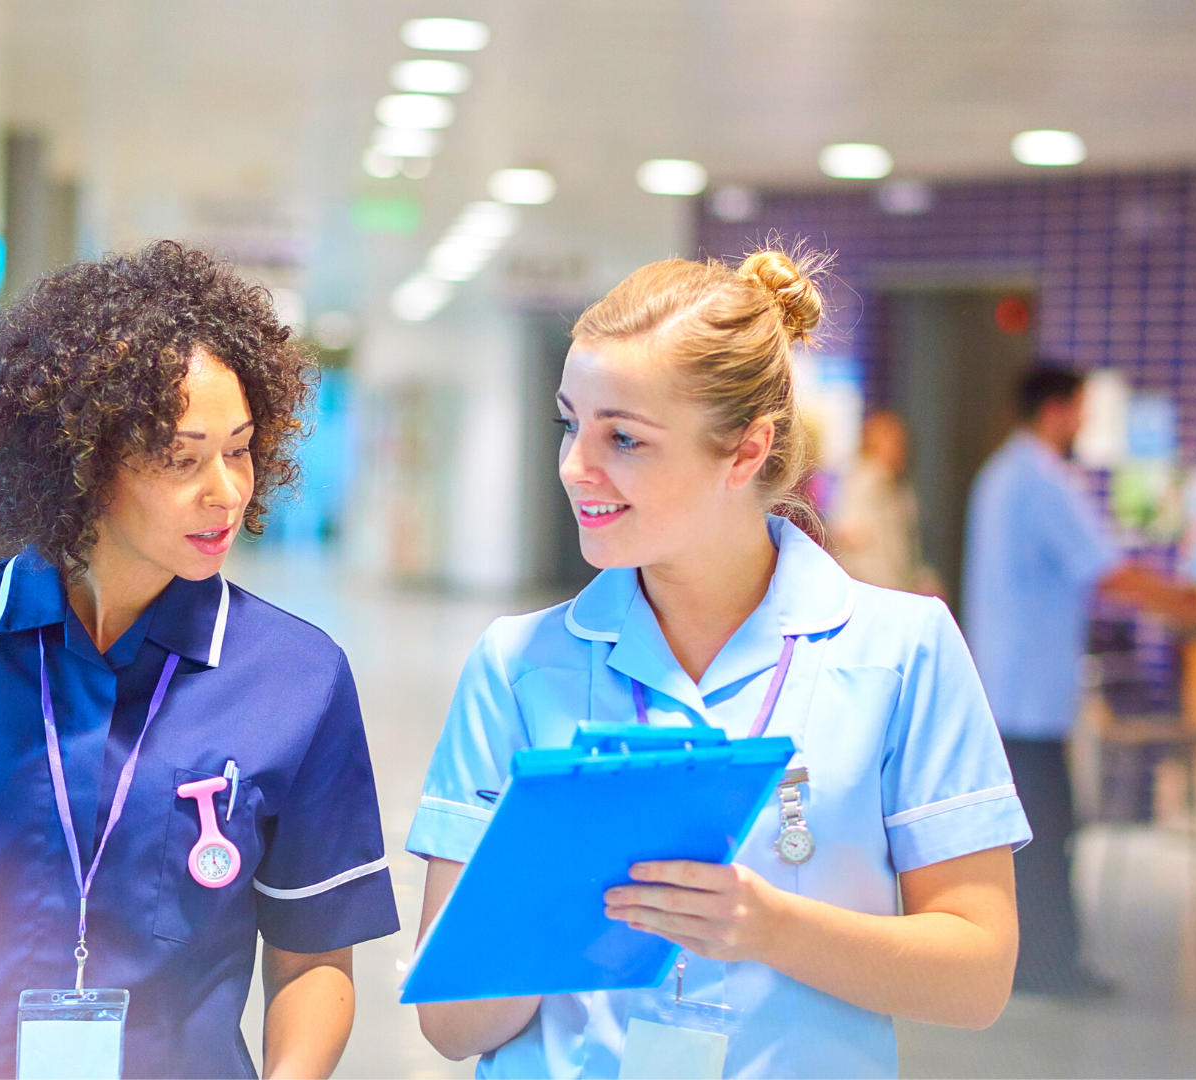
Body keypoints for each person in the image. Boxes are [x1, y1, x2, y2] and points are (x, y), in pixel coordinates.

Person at [0, 242, 399, 1080]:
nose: (227, 490)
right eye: (182, 458)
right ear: (82, 461)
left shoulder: (297, 678)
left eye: (240, 449)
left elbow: (312, 959)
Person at [407, 250, 1030, 1080]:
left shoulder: (902, 653)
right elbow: (451, 1028)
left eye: (622, 437)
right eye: (570, 424)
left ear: (746, 452)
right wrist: (544, 894)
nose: (574, 467)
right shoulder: (518, 667)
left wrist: (772, 928)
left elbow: (977, 977)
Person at [962, 365, 1174, 998]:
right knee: (1048, 840)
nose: (1084, 423)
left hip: (1007, 687)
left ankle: (1032, 964)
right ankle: (1048, 969)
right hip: (1028, 696)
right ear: (1058, 411)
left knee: (1034, 840)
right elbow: (1107, 570)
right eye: (1081, 410)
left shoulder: (1002, 472)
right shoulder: (1040, 479)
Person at [831, 410, 940, 595]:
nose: (899, 450)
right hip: (873, 592)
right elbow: (854, 543)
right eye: (893, 442)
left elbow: (910, 552)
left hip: (896, 591)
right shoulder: (862, 484)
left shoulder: (902, 492)